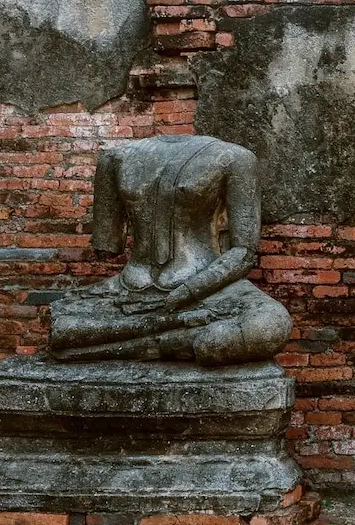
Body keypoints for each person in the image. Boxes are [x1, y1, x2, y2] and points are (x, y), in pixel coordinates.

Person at [48, 135, 290, 366]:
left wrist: (187, 292)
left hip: (205, 286)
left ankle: (144, 343)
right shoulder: (114, 159)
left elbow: (244, 253)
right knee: (62, 318)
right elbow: (107, 247)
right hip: (130, 288)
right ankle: (176, 334)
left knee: (271, 324)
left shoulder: (235, 158)